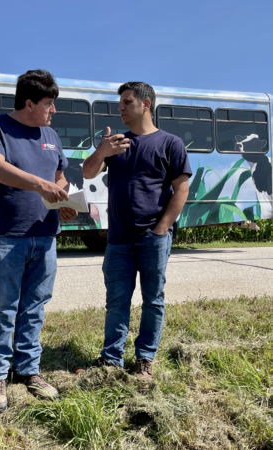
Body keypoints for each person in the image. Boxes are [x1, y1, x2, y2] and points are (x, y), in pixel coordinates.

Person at [0, 69, 78, 413]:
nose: (53, 110)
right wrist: (40, 184)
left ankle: (29, 370)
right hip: (8, 235)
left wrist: (63, 199)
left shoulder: (51, 135)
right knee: (3, 309)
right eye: (49, 103)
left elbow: (59, 174)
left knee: (34, 308)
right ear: (29, 102)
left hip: (46, 235)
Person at [82, 81, 192, 389]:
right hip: (117, 238)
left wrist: (161, 228)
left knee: (153, 300)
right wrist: (102, 150)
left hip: (152, 238)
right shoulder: (117, 143)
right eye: (121, 102)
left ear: (145, 104)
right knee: (116, 301)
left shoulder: (170, 143)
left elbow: (181, 189)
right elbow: (88, 172)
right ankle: (111, 358)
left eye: (127, 102)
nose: (120, 107)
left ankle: (145, 358)